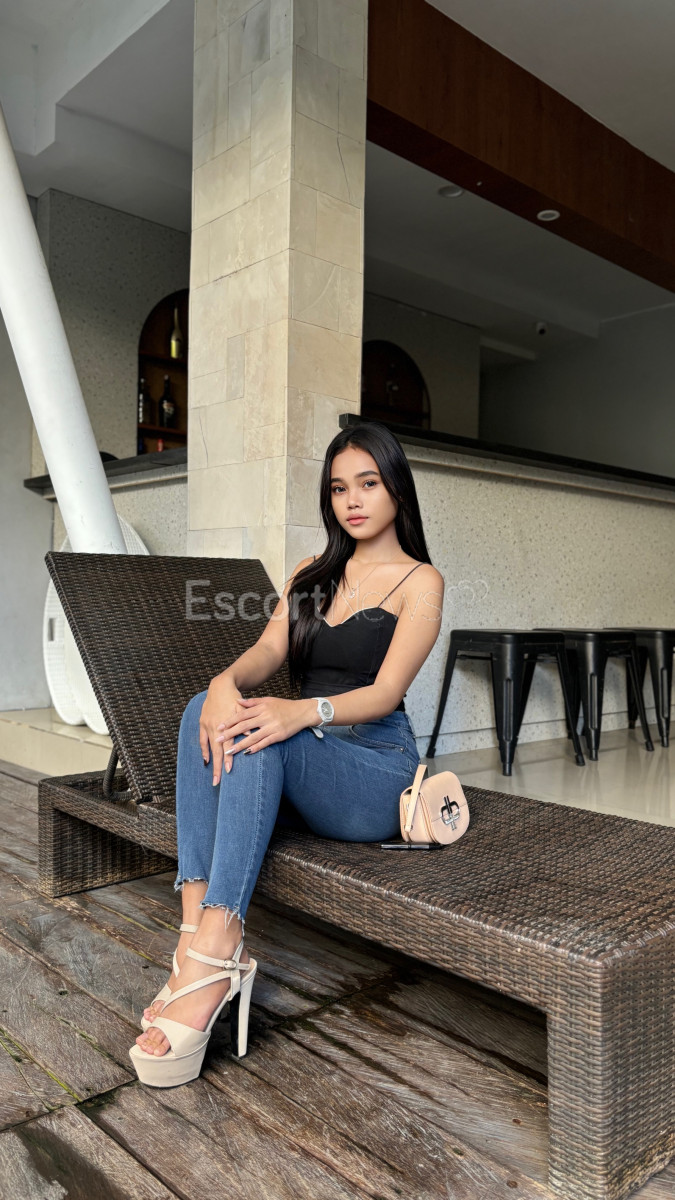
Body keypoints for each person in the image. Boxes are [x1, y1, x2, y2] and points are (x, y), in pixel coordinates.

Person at [129, 420, 444, 1086]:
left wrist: (301, 711)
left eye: (368, 483)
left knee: (266, 727)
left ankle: (217, 948)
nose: (352, 500)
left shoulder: (421, 581)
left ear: (396, 488)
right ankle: (198, 940)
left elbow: (386, 694)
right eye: (338, 488)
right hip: (306, 753)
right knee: (206, 709)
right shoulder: (311, 573)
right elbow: (269, 650)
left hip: (371, 768)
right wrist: (224, 682)